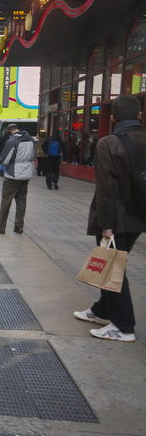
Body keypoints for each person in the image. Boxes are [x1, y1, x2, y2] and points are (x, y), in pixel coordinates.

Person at [74, 95, 146, 342]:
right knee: (110, 265)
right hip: (138, 215)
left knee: (114, 269)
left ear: (113, 118)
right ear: (139, 115)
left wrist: (105, 224)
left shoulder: (109, 143)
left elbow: (106, 189)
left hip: (115, 217)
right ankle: (102, 311)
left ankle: (124, 327)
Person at [0, 124, 36, 235]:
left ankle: (1, 227)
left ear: (10, 131)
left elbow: (5, 159)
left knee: (6, 201)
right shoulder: (31, 140)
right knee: (21, 200)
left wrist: (0, 161)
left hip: (13, 174)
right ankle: (19, 226)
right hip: (26, 173)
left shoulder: (12, 141)